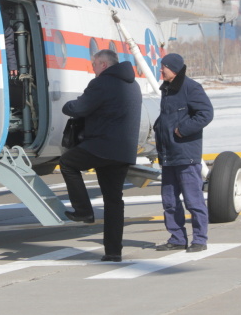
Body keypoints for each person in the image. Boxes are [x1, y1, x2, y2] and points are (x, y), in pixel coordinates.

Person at [59, 49, 141, 262]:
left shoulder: (102, 83)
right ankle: (113, 252)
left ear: (103, 64)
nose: (92, 68)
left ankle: (83, 210)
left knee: (67, 163)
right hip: (123, 151)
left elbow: (79, 108)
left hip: (102, 147)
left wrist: (67, 105)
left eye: (94, 64)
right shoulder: (133, 84)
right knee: (114, 201)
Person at [153, 53, 214, 253]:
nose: (160, 70)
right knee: (169, 201)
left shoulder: (191, 87)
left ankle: (199, 239)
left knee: (193, 200)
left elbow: (206, 114)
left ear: (174, 69)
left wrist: (182, 129)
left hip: (186, 155)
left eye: (164, 67)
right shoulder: (167, 89)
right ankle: (177, 238)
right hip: (169, 155)